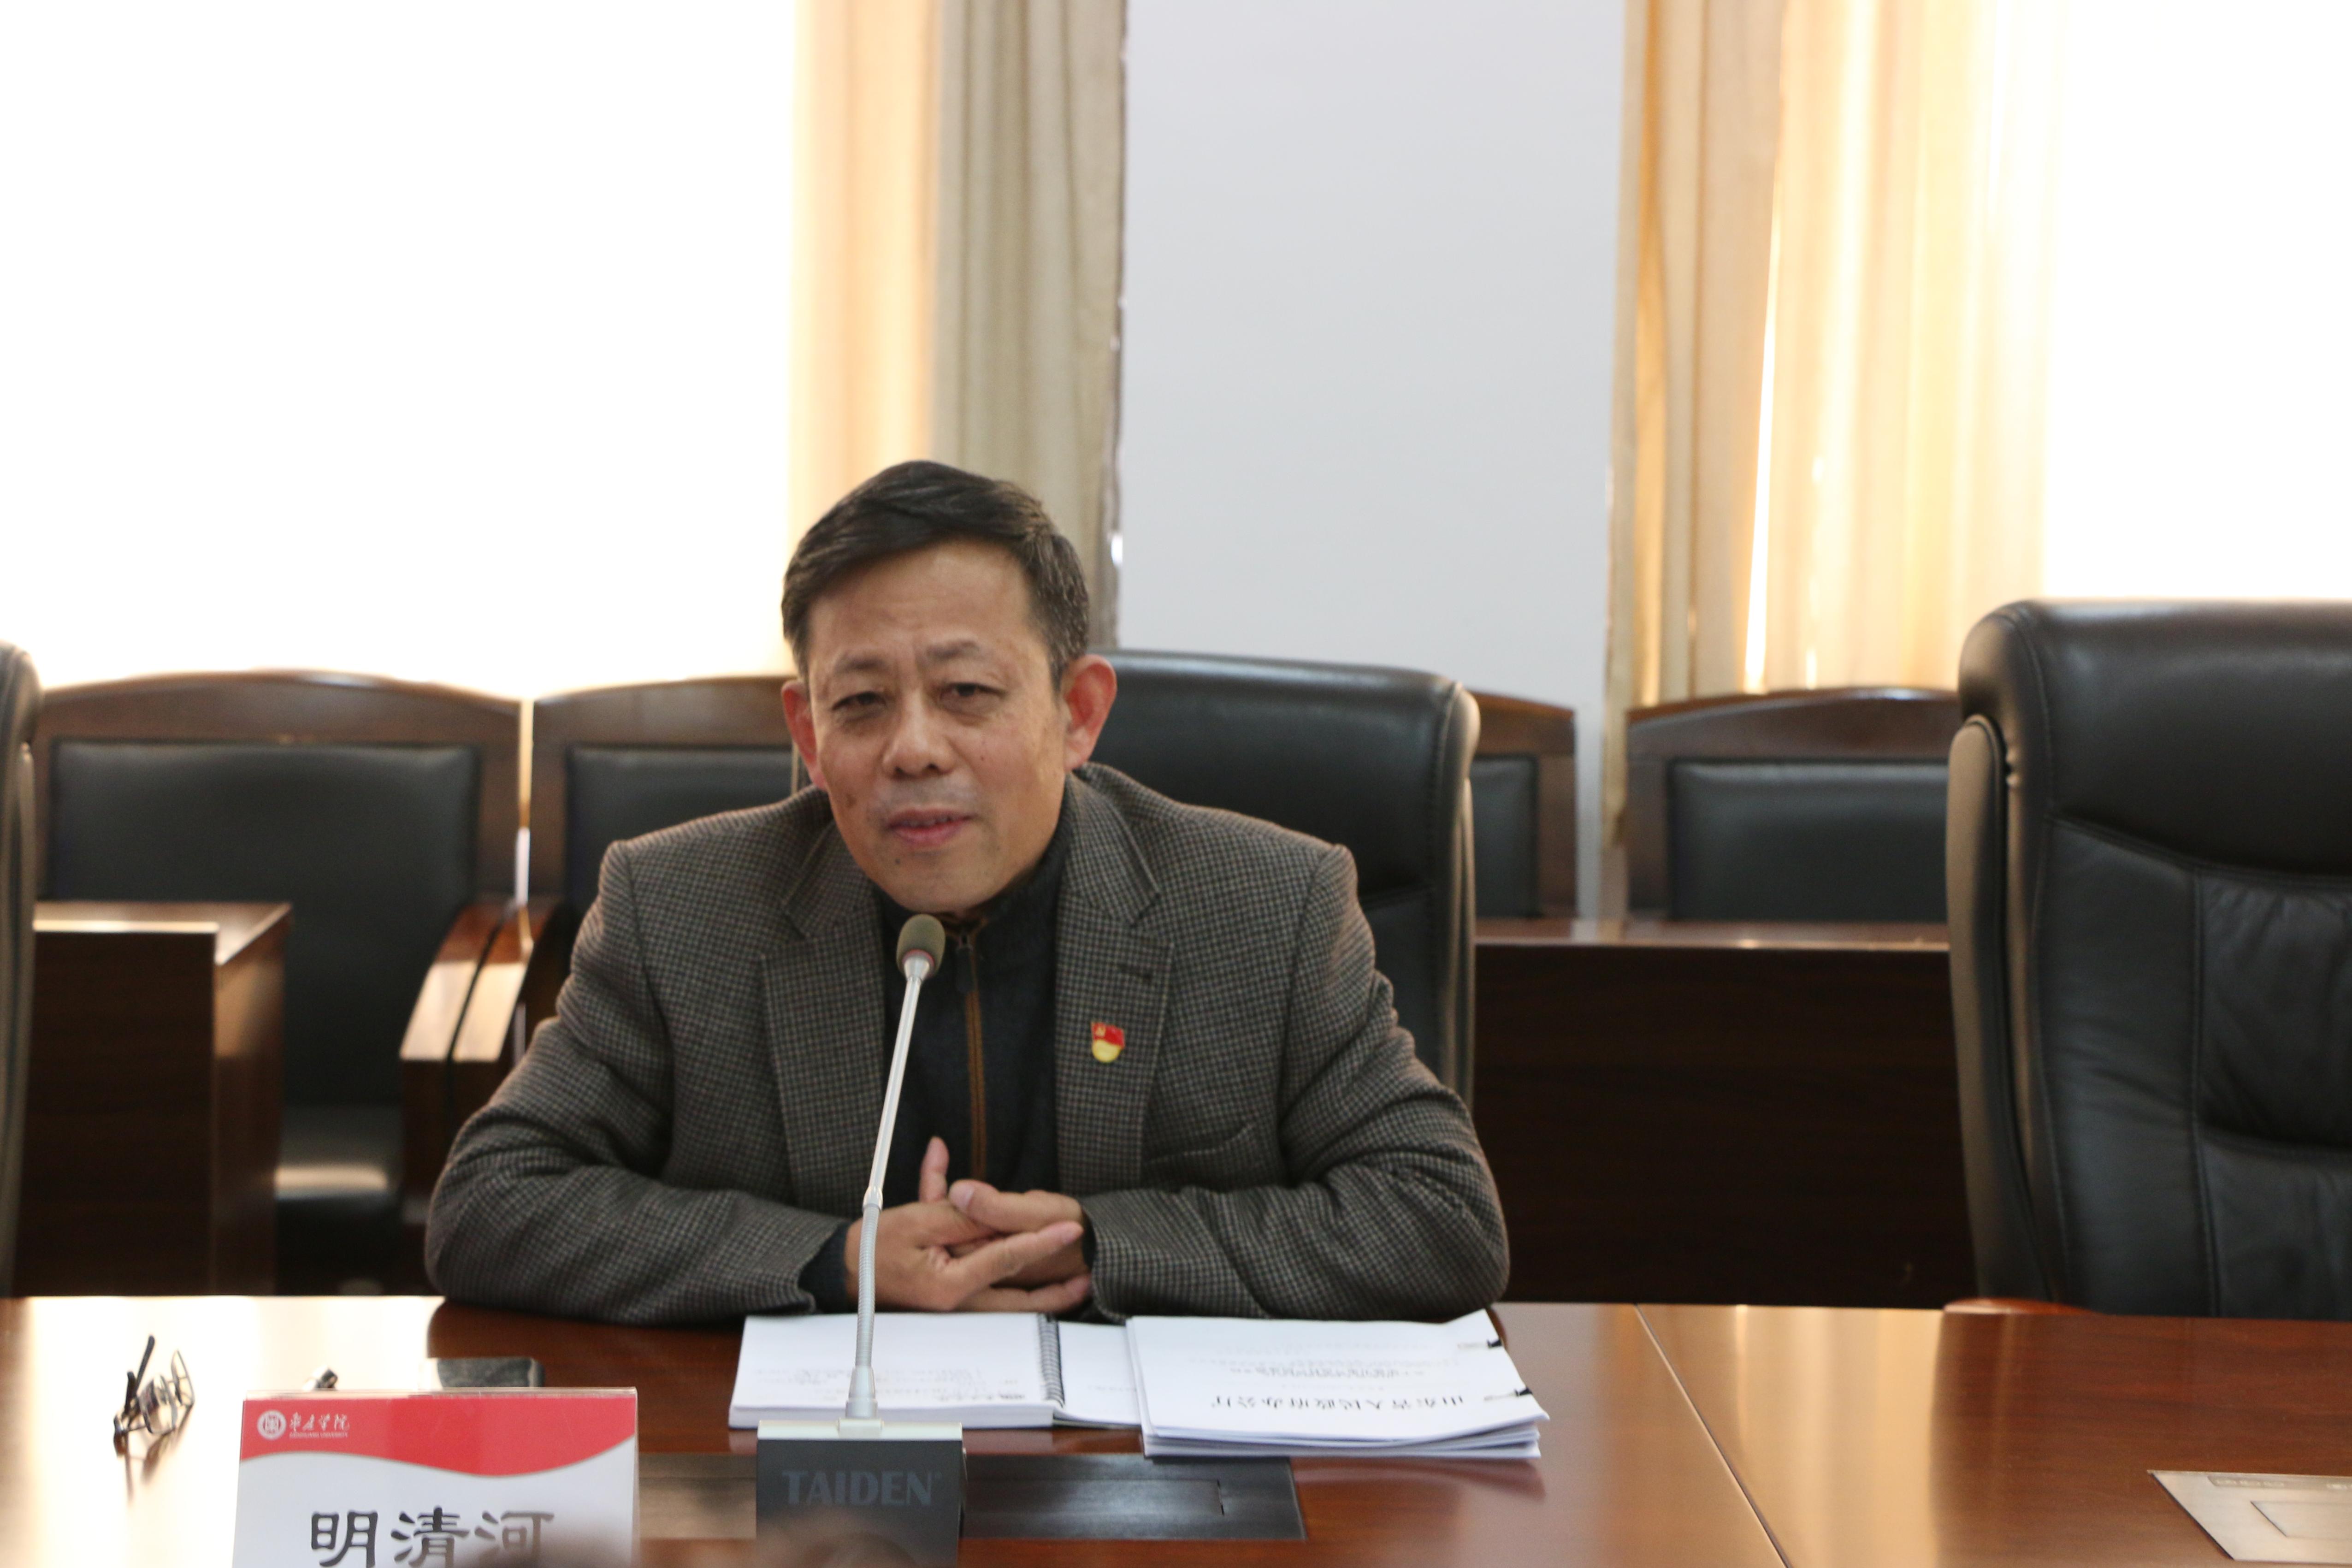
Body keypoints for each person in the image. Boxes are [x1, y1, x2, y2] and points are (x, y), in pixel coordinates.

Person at [426, 461, 1509, 1325]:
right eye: (861, 703)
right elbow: (490, 1203)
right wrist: (835, 1258)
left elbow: (1439, 1217)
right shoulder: (682, 907)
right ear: (807, 733)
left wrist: (1099, 1244)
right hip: (808, 1481)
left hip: (1143, 1478)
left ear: (1077, 713)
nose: (913, 749)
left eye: (966, 692)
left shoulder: (1264, 905)